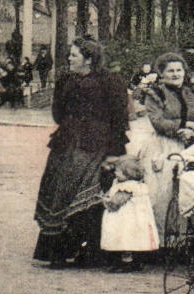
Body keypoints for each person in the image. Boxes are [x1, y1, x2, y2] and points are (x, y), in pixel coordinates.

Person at [33, 40, 129, 267]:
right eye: (70, 55)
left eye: (74, 55)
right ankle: (59, 251)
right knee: (60, 192)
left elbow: (119, 118)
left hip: (97, 145)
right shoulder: (65, 80)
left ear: (89, 58)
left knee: (90, 194)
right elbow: (57, 113)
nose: (69, 59)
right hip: (66, 143)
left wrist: (114, 152)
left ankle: (90, 250)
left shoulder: (111, 82)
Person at [140, 52, 194, 246]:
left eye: (179, 70)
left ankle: (186, 242)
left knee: (192, 192)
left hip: (193, 146)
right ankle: (160, 242)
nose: (175, 74)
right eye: (170, 70)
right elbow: (157, 121)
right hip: (164, 146)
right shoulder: (155, 93)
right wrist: (183, 126)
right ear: (161, 73)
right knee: (163, 193)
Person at [100, 155, 159, 272]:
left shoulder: (127, 186)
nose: (115, 173)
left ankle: (126, 262)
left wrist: (106, 200)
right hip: (138, 218)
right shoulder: (139, 185)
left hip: (126, 219)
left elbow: (116, 202)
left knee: (125, 238)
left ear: (128, 174)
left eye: (118, 171)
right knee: (135, 239)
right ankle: (136, 262)